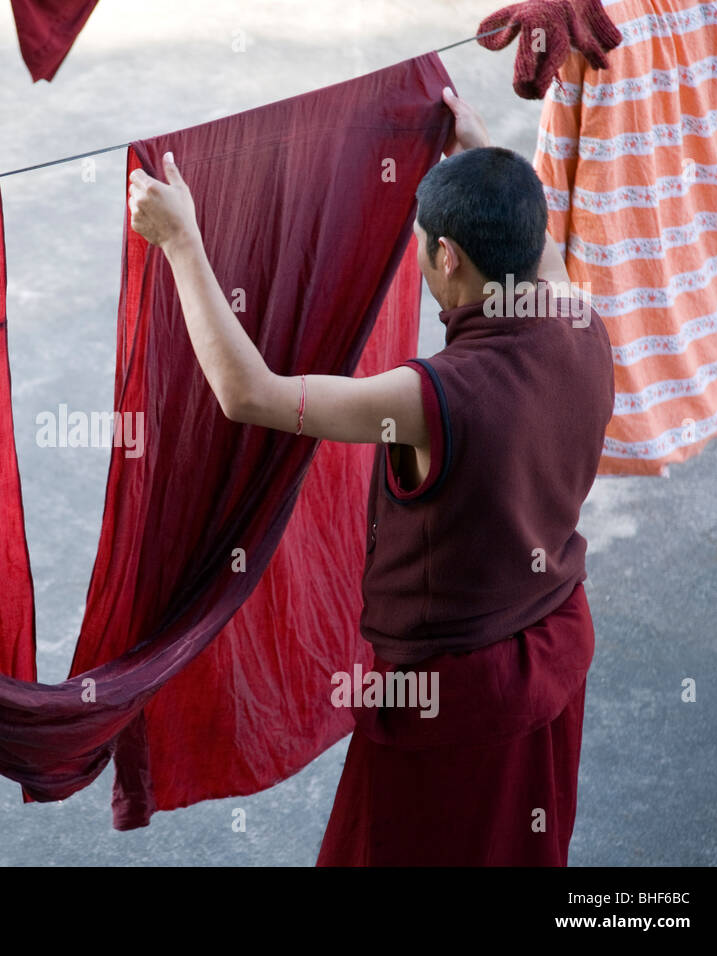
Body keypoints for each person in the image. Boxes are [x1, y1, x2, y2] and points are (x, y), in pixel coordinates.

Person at [126, 86, 615, 865]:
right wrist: (477, 148)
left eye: (424, 245)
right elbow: (538, 247)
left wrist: (182, 243)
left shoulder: (431, 398)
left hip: (458, 698)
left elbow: (250, 394)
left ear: (446, 258)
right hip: (555, 654)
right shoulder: (581, 319)